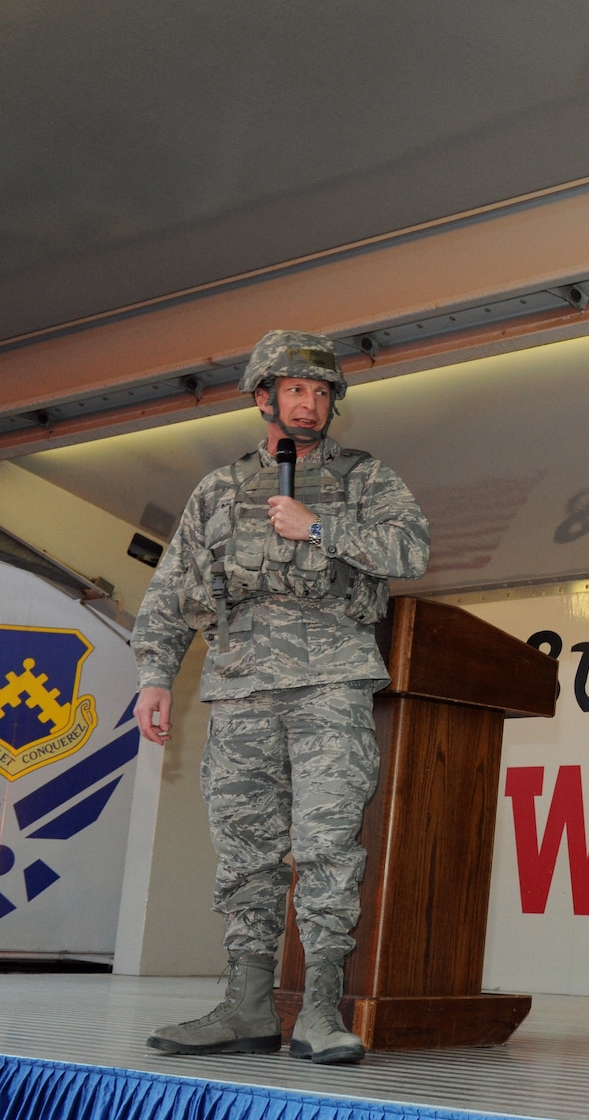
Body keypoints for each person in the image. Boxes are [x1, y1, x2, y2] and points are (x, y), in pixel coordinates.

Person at [133, 330, 430, 1066]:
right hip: (239, 690)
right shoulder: (220, 489)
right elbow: (170, 591)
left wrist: (320, 526)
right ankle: (248, 1004)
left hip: (329, 683)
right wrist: (154, 675)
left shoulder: (365, 478)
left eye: (322, 392)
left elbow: (412, 550)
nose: (311, 403)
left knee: (328, 847)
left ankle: (321, 1008)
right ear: (263, 396)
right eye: (296, 389)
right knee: (245, 854)